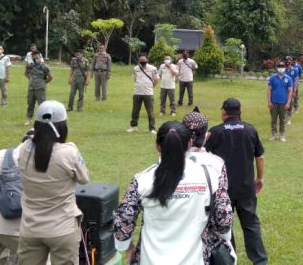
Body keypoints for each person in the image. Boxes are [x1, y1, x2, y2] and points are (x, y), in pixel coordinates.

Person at [113, 121, 235, 264]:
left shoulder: (142, 180)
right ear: (190, 143)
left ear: (158, 146)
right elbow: (223, 220)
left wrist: (128, 247)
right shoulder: (210, 176)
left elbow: (122, 223)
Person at [17, 100, 89, 264]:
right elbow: (84, 178)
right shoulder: (69, 152)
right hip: (62, 229)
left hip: (31, 228)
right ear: (63, 127)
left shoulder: (23, 150)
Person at [204, 98, 268, 265]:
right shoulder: (250, 130)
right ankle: (259, 261)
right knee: (251, 225)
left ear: (223, 112)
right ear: (240, 112)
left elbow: (205, 157)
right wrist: (259, 178)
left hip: (223, 189)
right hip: (246, 187)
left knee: (225, 225)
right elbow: (260, 157)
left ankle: (228, 259)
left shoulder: (215, 132)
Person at [128, 54, 158, 134]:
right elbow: (135, 79)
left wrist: (151, 87)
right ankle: (133, 127)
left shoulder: (153, 68)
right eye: (141, 60)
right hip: (137, 92)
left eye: (144, 60)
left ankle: (152, 128)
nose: (142, 61)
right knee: (135, 111)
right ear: (138, 61)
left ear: (147, 60)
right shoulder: (135, 68)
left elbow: (156, 79)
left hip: (148, 93)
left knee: (150, 112)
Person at [25, 51, 53, 126]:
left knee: (42, 104)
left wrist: (43, 83)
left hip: (40, 88)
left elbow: (50, 77)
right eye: (33, 56)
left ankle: (44, 120)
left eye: (37, 56)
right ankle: (29, 119)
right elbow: (26, 74)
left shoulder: (44, 66)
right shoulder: (30, 66)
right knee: (30, 104)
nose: (35, 57)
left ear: (40, 57)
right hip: (31, 88)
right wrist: (31, 80)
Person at [267, 62, 292, 142]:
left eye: (282, 66)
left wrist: (288, 102)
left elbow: (290, 92)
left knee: (282, 119)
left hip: (283, 103)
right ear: (277, 68)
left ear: (285, 68)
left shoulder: (288, 78)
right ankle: (273, 134)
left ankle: (282, 135)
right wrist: (269, 101)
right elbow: (269, 90)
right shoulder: (272, 78)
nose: (281, 68)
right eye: (279, 66)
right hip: (274, 102)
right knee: (273, 119)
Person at [284, 59, 299, 125]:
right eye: (287, 66)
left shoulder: (295, 70)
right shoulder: (284, 70)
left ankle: (289, 118)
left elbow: (296, 80)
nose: (288, 67)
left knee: (290, 103)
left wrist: (294, 90)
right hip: (284, 89)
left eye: (289, 65)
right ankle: (284, 117)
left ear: (290, 64)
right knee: (284, 103)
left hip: (291, 89)